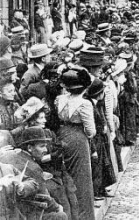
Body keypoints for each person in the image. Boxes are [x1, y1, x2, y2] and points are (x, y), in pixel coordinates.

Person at [0, 126, 68, 219]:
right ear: (29, 148)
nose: (46, 150)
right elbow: (45, 197)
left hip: (11, 209)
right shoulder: (34, 168)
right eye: (42, 146)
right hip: (23, 213)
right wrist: (57, 207)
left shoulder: (9, 154)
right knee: (61, 215)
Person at [55, 67, 95, 220]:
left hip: (62, 134)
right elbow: (91, 131)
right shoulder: (84, 104)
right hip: (78, 138)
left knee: (67, 176)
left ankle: (72, 213)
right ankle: (84, 215)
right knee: (82, 179)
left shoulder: (60, 99)